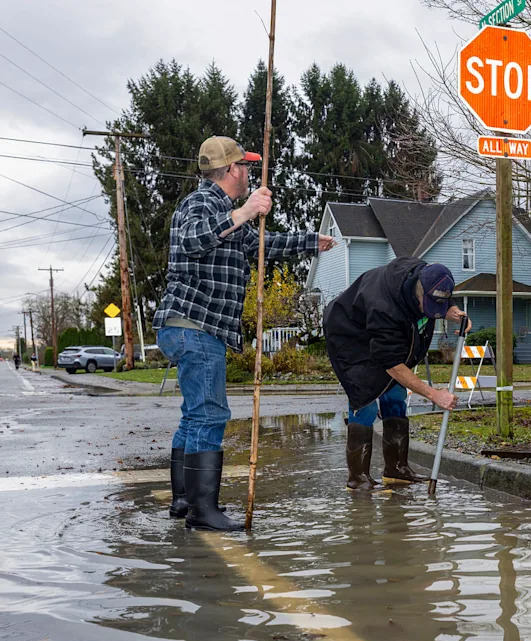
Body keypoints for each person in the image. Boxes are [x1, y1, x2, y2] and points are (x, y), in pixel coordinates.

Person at [153, 136, 335, 530]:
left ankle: (185, 501)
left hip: (192, 328)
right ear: (232, 170)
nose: (250, 174)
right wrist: (245, 211)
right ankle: (203, 512)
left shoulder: (220, 212)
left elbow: (259, 246)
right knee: (210, 414)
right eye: (246, 167)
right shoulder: (201, 203)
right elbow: (191, 241)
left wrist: (310, 243)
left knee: (194, 416)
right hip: (193, 326)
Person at [323, 258, 470, 490]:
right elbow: (391, 363)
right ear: (417, 293)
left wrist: (451, 311)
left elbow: (438, 295)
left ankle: (396, 470)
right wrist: (433, 394)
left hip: (383, 334)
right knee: (366, 399)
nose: (432, 313)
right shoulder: (385, 308)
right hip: (351, 336)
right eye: (430, 307)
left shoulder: (428, 276)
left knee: (395, 395)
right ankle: (358, 478)